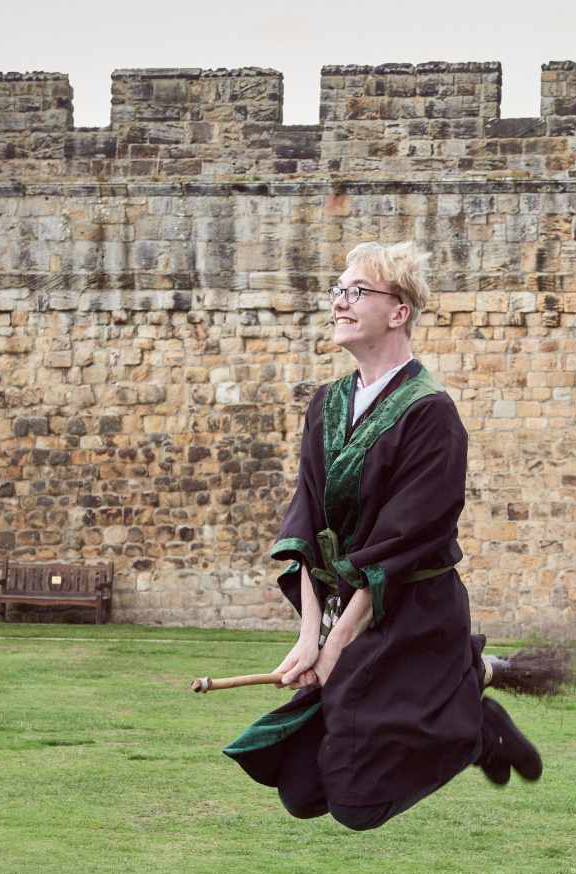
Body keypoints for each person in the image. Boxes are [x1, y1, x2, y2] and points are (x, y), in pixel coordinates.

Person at [223, 240, 542, 831]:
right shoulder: (328, 403)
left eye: (357, 292)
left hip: (413, 612)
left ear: (399, 312)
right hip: (345, 606)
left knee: (357, 806)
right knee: (298, 788)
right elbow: (306, 520)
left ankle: (471, 723)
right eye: (337, 291)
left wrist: (336, 644)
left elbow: (402, 543)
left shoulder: (431, 415)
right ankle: (467, 687)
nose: (339, 303)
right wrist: (308, 635)